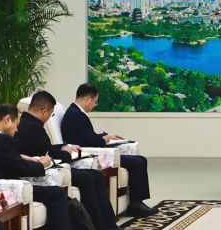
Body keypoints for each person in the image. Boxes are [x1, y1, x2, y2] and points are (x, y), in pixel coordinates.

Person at [0, 106, 109, 230]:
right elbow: (22, 168)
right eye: (16, 124)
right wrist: (42, 164)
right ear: (7, 119)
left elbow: (0, 155)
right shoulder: (2, 140)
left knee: (56, 194)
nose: (17, 130)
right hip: (6, 188)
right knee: (57, 193)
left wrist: (22, 157)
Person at [13, 97, 124, 230]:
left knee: (95, 175)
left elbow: (45, 148)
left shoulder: (29, 122)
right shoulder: (32, 127)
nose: (49, 118)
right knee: (88, 178)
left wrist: (65, 147)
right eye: (51, 114)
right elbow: (48, 153)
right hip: (43, 172)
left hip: (50, 167)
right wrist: (66, 153)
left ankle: (109, 226)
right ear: (44, 111)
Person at [55, 84, 153, 217]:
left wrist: (105, 136)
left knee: (140, 160)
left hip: (93, 150)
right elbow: (90, 140)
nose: (94, 106)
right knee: (138, 162)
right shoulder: (75, 115)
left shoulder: (75, 112)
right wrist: (104, 139)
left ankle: (137, 202)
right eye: (95, 102)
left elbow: (87, 135)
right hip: (91, 154)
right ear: (88, 99)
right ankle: (135, 204)